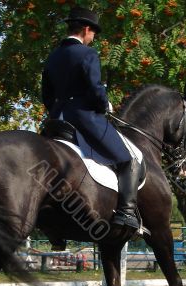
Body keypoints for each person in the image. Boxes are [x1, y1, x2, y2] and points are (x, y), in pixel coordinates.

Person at [41, 6, 142, 230]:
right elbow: (95, 89)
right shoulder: (88, 54)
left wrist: (57, 110)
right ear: (86, 29)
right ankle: (126, 214)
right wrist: (104, 104)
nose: (93, 38)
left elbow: (46, 95)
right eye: (93, 33)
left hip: (56, 120)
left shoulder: (53, 56)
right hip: (84, 118)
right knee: (128, 160)